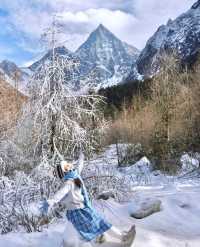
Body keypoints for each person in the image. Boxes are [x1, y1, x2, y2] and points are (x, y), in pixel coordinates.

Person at [39, 161, 136, 246]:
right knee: (94, 227)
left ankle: (122, 236)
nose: (69, 166)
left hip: (83, 209)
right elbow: (60, 195)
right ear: (65, 172)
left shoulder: (73, 179)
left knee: (100, 223)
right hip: (78, 212)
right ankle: (118, 238)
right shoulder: (71, 180)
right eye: (66, 167)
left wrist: (50, 201)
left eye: (67, 166)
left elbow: (62, 194)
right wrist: (51, 201)